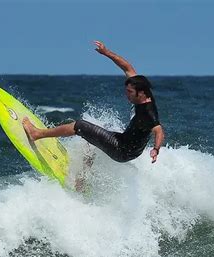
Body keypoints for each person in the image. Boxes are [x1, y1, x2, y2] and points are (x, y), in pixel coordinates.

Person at [23, 40, 164, 164]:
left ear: (141, 93)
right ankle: (82, 181)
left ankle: (37, 134)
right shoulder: (142, 89)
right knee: (93, 136)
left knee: (80, 126)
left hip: (121, 149)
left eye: (129, 92)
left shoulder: (148, 112)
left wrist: (155, 149)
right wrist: (106, 52)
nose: (126, 94)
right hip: (125, 144)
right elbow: (127, 67)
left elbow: (159, 131)